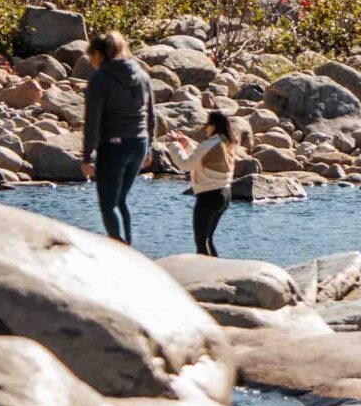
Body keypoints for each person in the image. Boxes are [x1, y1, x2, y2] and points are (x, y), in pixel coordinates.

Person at [79, 31, 156, 245]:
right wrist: (150, 148)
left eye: (90, 57)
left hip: (114, 146)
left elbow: (92, 121)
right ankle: (129, 246)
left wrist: (86, 157)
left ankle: (119, 248)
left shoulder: (100, 78)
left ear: (98, 54)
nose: (90, 62)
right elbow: (151, 115)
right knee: (120, 199)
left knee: (107, 204)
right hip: (139, 144)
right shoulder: (142, 75)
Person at [171, 110, 247, 255]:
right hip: (224, 195)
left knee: (201, 241)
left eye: (207, 124)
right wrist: (186, 145)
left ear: (213, 125)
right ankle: (217, 270)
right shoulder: (227, 142)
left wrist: (175, 145)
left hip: (208, 197)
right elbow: (203, 159)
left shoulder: (211, 143)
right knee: (208, 239)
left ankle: (205, 275)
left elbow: (185, 164)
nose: (205, 128)